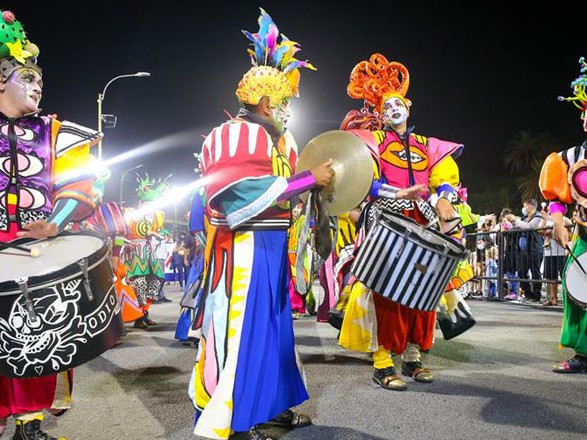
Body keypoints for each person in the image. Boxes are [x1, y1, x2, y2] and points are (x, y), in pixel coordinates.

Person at [188, 8, 334, 440]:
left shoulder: (274, 138)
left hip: (270, 245)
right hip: (245, 249)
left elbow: (279, 188)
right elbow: (236, 195)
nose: (289, 112)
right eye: (285, 103)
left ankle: (270, 406)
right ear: (268, 103)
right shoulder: (234, 134)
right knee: (244, 333)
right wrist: (309, 179)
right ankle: (235, 418)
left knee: (273, 332)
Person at [0, 9, 101, 439]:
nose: (38, 84)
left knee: (35, 336)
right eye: (28, 76)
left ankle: (29, 422)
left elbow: (80, 185)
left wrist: (54, 223)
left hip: (35, 249)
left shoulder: (55, 131)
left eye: (40, 78)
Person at [337, 53, 465, 390]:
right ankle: (382, 362)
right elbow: (365, 181)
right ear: (379, 114)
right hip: (387, 226)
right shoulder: (373, 143)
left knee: (423, 293)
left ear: (408, 108)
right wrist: (399, 193)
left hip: (422, 226)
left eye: (398, 104)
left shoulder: (429, 146)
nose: (393, 109)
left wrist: (442, 200)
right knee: (386, 296)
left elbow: (446, 180)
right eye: (386, 106)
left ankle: (413, 357)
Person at [539, 56, 587, 373]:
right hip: (584, 235)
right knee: (578, 292)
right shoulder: (572, 156)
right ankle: (583, 354)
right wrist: (557, 218)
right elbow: (557, 196)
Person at [505, 199, 545, 303]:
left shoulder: (538, 217)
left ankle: (536, 295)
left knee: (535, 272)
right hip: (523, 251)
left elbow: (529, 227)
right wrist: (511, 224)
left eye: (525, 206)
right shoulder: (524, 218)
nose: (524, 208)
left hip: (535, 249)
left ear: (530, 207)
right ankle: (527, 293)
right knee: (522, 272)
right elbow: (516, 228)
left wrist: (515, 221)